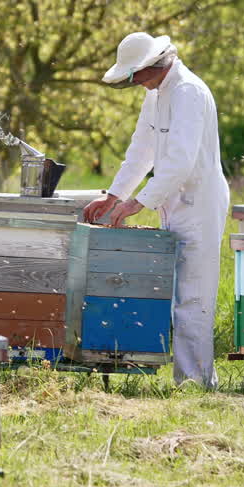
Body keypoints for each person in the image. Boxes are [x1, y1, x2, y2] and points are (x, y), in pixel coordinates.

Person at [82, 31, 230, 387]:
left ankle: (196, 382)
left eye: (135, 74)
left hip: (199, 205)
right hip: (174, 202)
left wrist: (138, 203)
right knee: (176, 292)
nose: (134, 82)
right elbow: (142, 149)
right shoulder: (157, 94)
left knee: (194, 295)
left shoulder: (188, 92)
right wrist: (114, 195)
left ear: (153, 65)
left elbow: (180, 161)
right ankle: (188, 376)